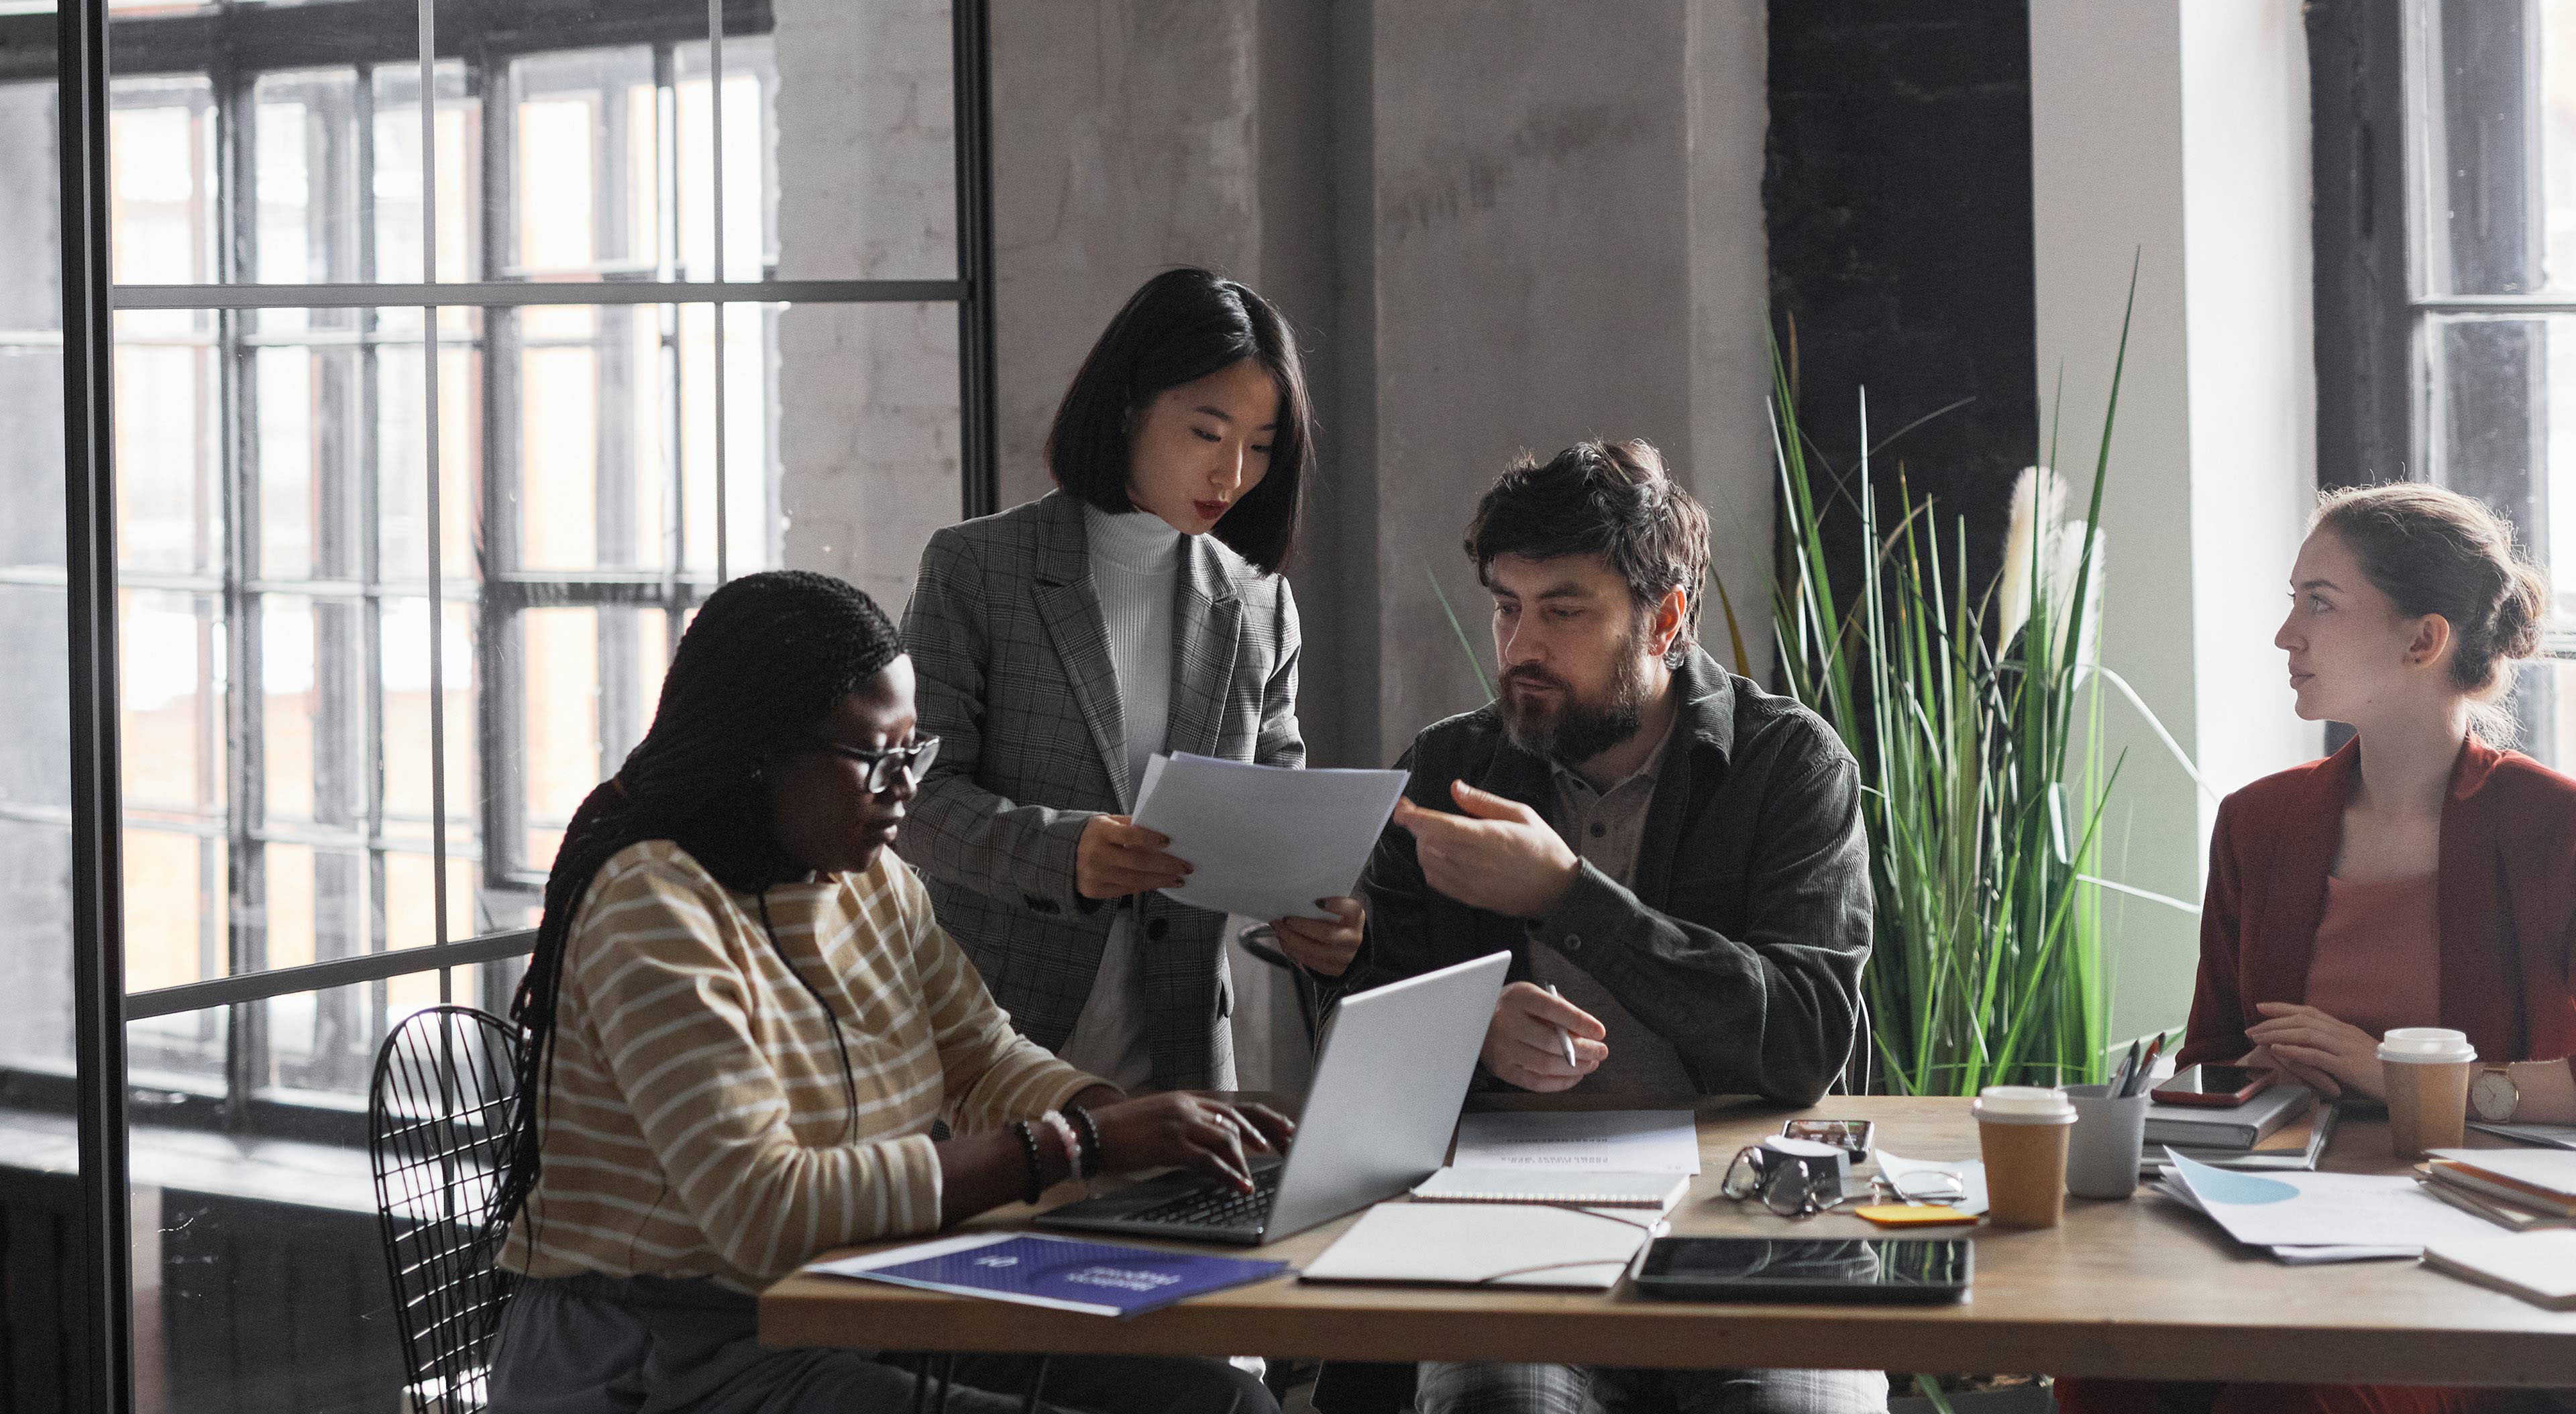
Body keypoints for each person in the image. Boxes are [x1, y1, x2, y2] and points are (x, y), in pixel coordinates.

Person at [486, 570, 1288, 1414]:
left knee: (1224, 1403)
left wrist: (1129, 1121)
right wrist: (1080, 1144)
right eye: (876, 756)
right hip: (662, 1348)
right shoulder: (653, 903)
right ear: (762, 754)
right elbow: (764, 1208)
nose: (905, 785)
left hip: (851, 1298)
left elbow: (980, 1056)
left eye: (915, 752)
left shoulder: (870, 880)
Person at [1340, 439, 1884, 1414]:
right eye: (1507, 607)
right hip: (1513, 1235)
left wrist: (1568, 898)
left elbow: (1804, 1039)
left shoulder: (1789, 766)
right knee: (1498, 1406)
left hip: (1754, 1225)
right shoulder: (1444, 772)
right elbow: (1364, 1046)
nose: (1520, 648)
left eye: (1564, 610)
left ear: (1666, 618)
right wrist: (1465, 1033)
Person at [2055, 484, 2576, 1414]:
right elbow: (2213, 1059)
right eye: (2294, 599)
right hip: (2271, 1218)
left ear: (2424, 641)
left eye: (2320, 602)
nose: (2286, 634)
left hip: (2479, 1242)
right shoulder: (2261, 823)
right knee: (2105, 1369)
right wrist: (2234, 1090)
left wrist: (2396, 1074)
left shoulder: (2555, 828)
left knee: (2303, 1393)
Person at [900, 267, 1362, 1095]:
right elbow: (916, 805)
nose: (1233, 476)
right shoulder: (977, 570)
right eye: (1207, 433)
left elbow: (1277, 813)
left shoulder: (1260, 604)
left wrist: (1318, 913)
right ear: (1126, 408)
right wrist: (1065, 851)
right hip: (989, 1054)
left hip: (1180, 1066)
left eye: (1260, 446)